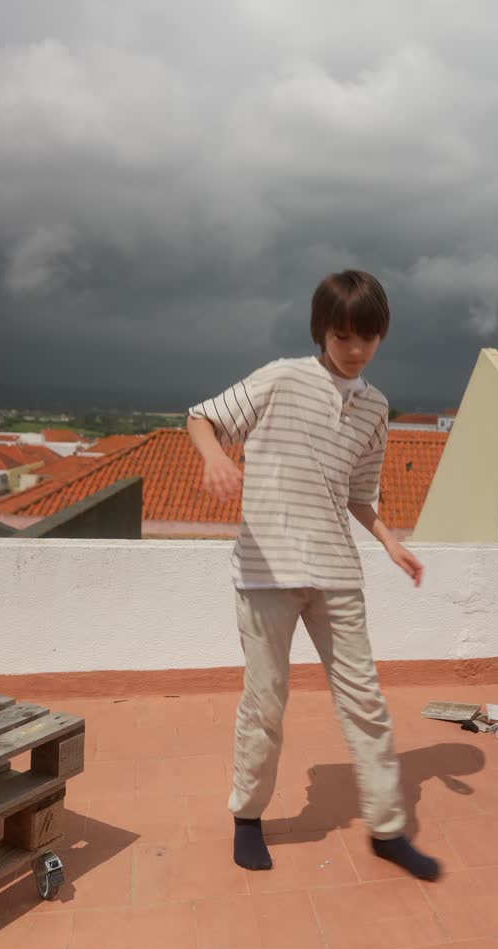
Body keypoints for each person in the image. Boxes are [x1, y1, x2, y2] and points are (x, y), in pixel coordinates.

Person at [186, 269, 441, 881]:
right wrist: (217, 457)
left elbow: (358, 494)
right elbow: (201, 418)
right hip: (265, 571)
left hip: (335, 572)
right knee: (266, 702)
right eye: (343, 337)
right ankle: (249, 817)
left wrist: (388, 541)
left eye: (368, 339)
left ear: (381, 337)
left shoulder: (376, 409)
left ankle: (387, 828)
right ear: (322, 332)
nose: (355, 351)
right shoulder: (280, 378)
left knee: (366, 702)